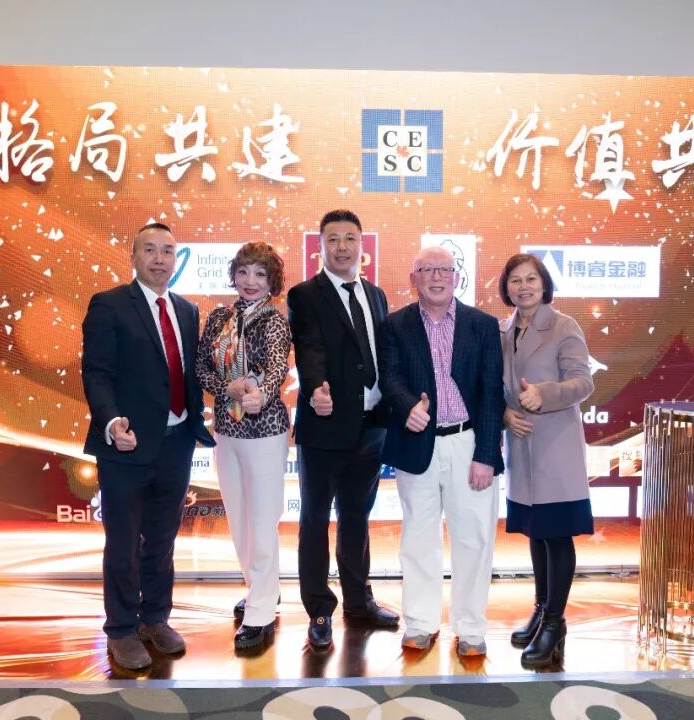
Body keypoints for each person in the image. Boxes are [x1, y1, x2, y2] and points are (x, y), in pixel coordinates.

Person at [81, 222, 215, 671]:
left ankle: (154, 619)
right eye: (150, 250)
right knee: (123, 543)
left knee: (161, 540)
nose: (160, 259)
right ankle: (121, 629)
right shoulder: (109, 304)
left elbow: (188, 375)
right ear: (134, 256)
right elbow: (97, 372)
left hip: (176, 444)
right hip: (126, 446)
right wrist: (111, 420)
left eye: (168, 251)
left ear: (176, 260)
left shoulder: (187, 310)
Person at [379, 246, 505, 659]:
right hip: (417, 442)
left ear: (457, 277)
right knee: (418, 537)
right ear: (413, 278)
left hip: (469, 442)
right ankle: (420, 623)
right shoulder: (395, 324)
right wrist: (406, 407)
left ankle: (470, 627)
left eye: (445, 270)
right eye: (427, 269)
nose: (437, 277)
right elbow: (390, 377)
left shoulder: (482, 325)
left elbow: (491, 393)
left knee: (474, 538)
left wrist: (486, 454)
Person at [287, 209, 400, 650]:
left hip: (372, 429)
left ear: (361, 245)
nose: (341, 247)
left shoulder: (376, 295)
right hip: (325, 426)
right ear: (320, 246)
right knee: (315, 520)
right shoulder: (305, 295)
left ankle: (358, 601)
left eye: (349, 238)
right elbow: (309, 348)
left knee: (356, 518)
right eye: (332, 239)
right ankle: (319, 610)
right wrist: (316, 388)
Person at [498, 252, 595, 668]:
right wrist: (505, 414)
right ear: (506, 288)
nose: (523, 287)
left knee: (557, 536)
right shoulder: (503, 331)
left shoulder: (564, 326)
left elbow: (583, 383)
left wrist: (544, 394)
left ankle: (555, 623)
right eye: (515, 280)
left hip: (556, 448)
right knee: (536, 535)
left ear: (543, 284)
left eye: (531, 279)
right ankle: (541, 611)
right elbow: (497, 387)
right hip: (521, 446)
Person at [195, 242, 291, 651]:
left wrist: (259, 395)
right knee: (238, 520)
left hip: (265, 431)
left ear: (272, 282)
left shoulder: (274, 322)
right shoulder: (219, 318)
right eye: (244, 272)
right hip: (227, 431)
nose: (251, 281)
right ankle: (259, 589)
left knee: (262, 522)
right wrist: (226, 387)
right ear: (234, 275)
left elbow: (277, 368)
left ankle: (261, 614)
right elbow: (201, 368)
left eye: (260, 274)